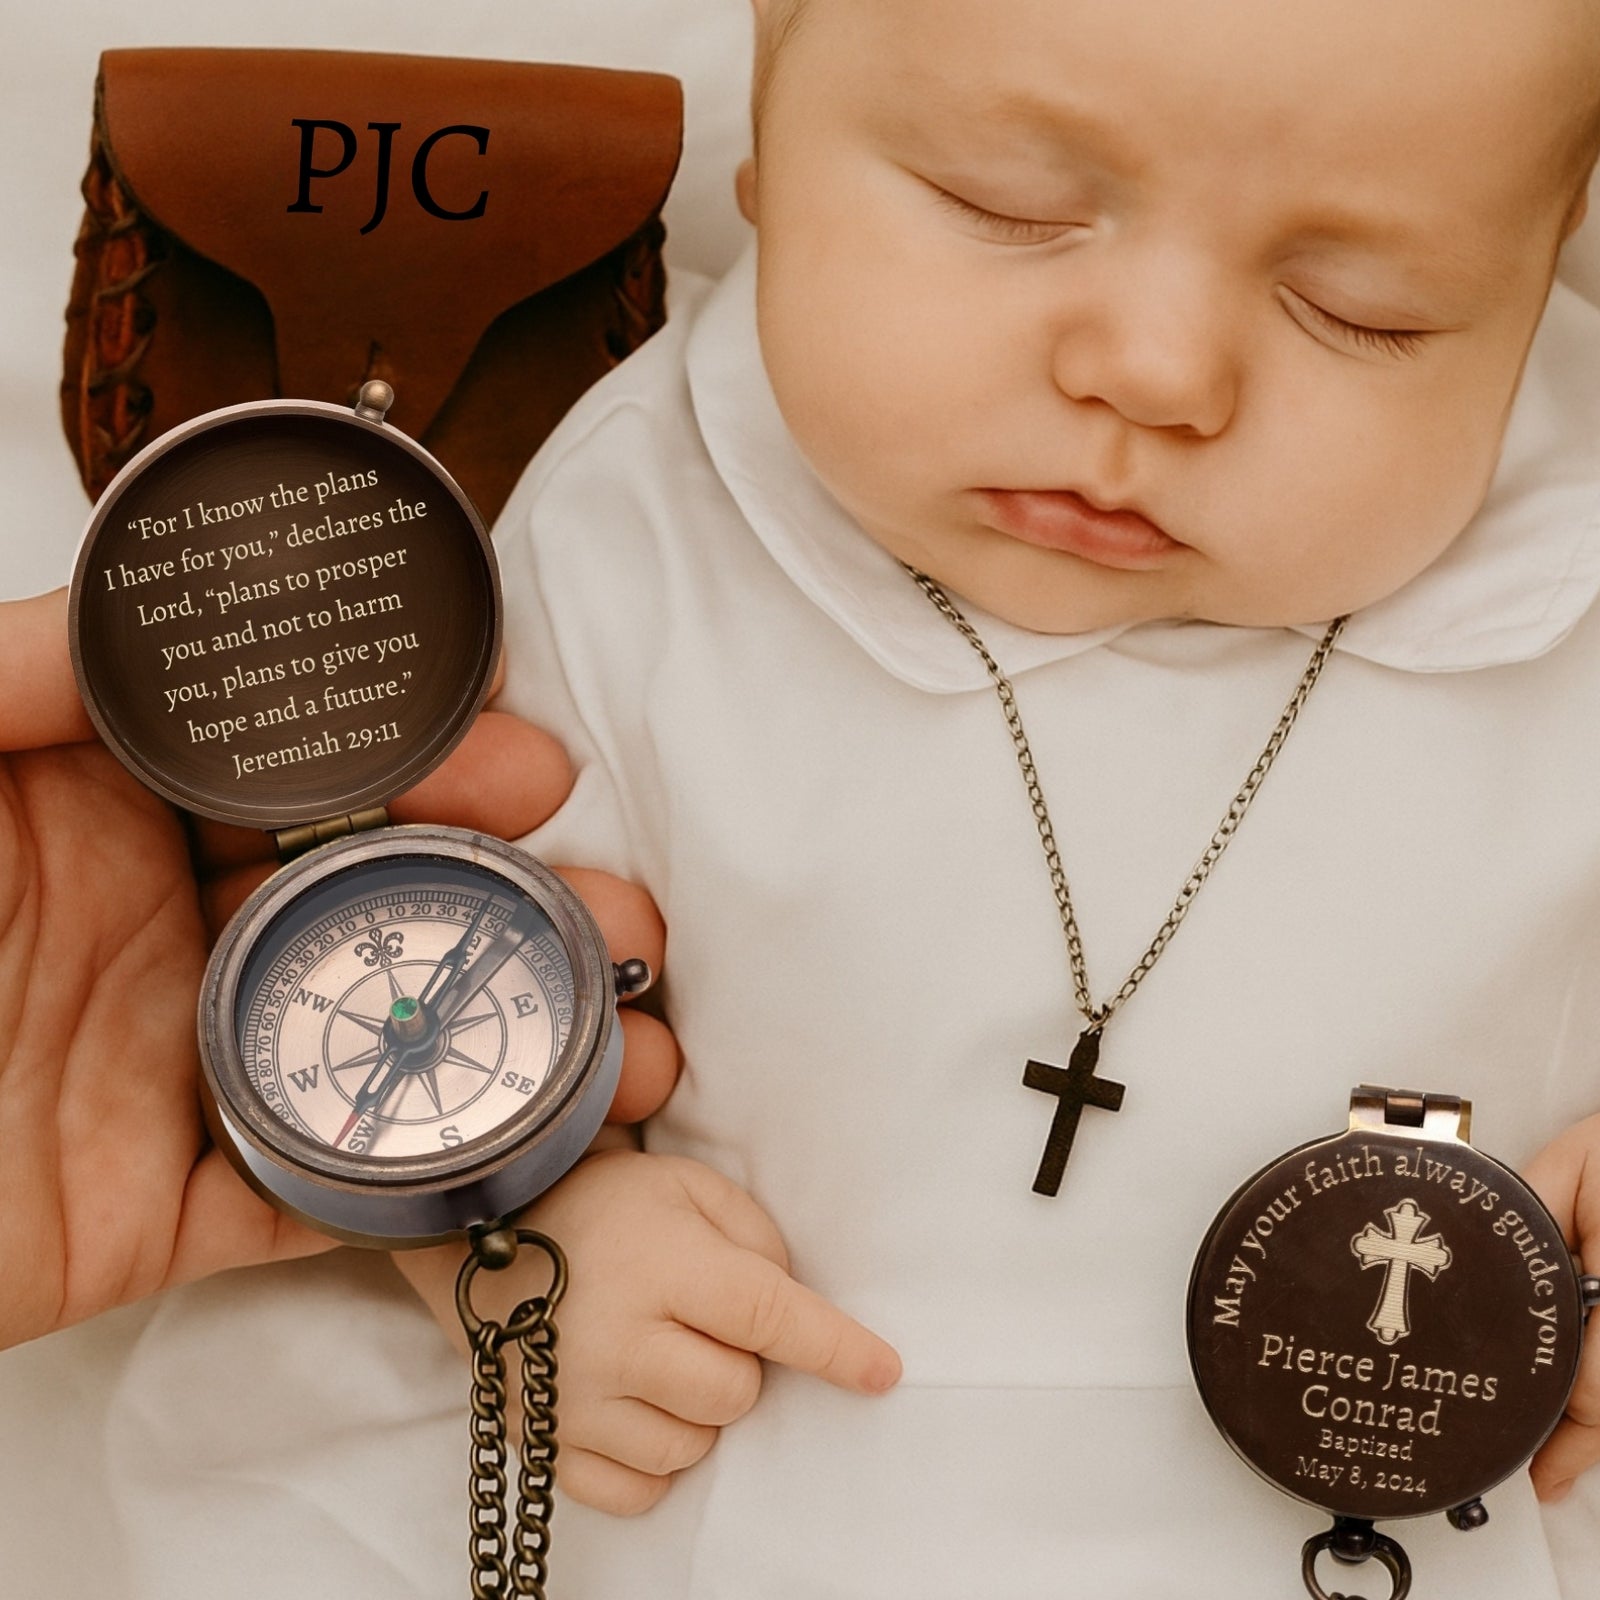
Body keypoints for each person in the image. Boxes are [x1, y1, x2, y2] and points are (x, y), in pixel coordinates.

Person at [388, 0, 1600, 1594]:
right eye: (1007, 210)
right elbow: (389, 994)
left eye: (1360, 310)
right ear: (769, 113)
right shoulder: (642, 534)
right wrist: (517, 1243)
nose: (1156, 376)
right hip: (796, 1505)